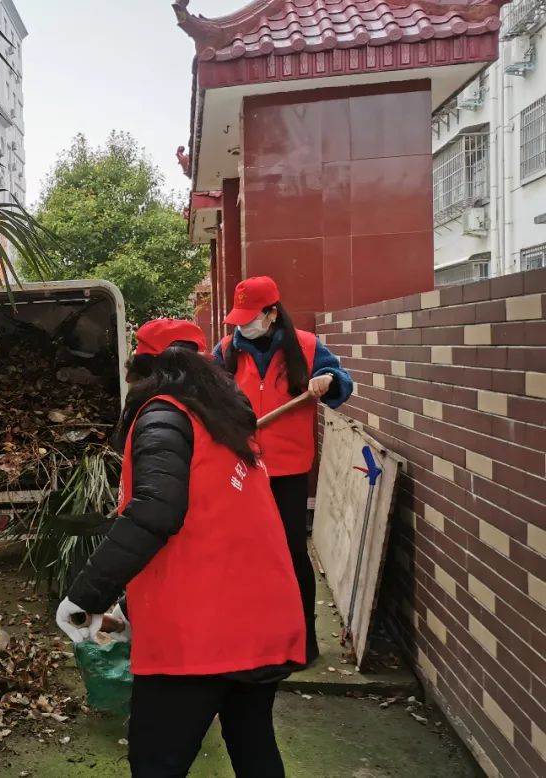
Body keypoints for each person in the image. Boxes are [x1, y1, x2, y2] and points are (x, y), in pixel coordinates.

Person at [56, 319, 305, 778]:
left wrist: (85, 596)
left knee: (157, 763)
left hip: (202, 635)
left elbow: (155, 512)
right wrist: (131, 608)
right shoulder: (229, 421)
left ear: (146, 367)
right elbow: (211, 521)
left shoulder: (163, 414)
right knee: (254, 748)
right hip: (262, 623)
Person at [213, 277, 353, 662]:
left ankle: (302, 642)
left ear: (272, 313)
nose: (242, 326)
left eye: (250, 317)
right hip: (241, 469)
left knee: (291, 553)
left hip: (289, 472)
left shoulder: (306, 347)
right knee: (245, 555)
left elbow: (343, 382)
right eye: (238, 319)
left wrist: (329, 380)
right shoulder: (225, 351)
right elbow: (206, 395)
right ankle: (251, 639)